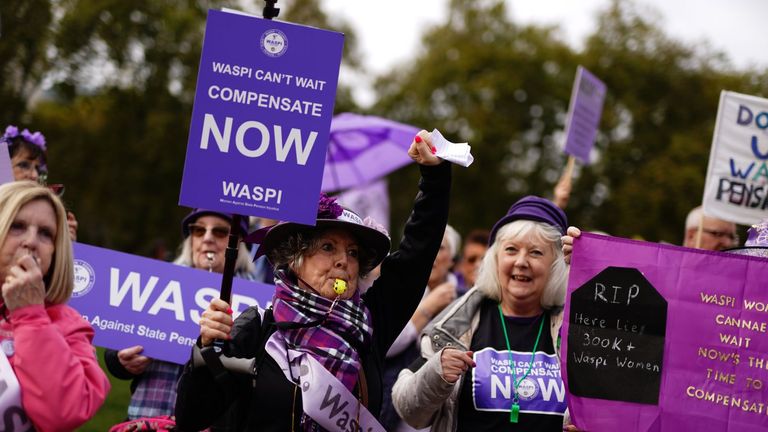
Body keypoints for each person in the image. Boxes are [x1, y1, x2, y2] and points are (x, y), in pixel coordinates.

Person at [174, 131, 451, 431]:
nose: (343, 260)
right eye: (327, 247)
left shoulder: (370, 326)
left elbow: (415, 257)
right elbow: (193, 416)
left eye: (353, 252)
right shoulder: (257, 329)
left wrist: (434, 178)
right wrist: (205, 350)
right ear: (296, 258)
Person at [392, 196, 579, 431]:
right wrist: (436, 372)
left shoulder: (576, 329)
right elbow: (409, 412)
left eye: (536, 253)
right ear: (495, 258)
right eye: (511, 250)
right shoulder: (457, 326)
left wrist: (589, 266)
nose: (521, 262)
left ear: (555, 265)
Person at [105, 209, 253, 421]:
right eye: (199, 230)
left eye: (220, 232)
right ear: (190, 240)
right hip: (147, 418)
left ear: (239, 244)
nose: (208, 238)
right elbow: (117, 340)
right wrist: (121, 361)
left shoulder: (255, 302)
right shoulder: (158, 282)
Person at [0, 181, 109, 430]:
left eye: (45, 233)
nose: (31, 241)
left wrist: (29, 315)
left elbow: (63, 412)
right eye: (17, 226)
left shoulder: (68, 326)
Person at [380, 225, 460, 431]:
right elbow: (384, 346)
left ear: (451, 259)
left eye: (440, 247)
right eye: (428, 245)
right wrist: (427, 307)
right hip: (395, 408)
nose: (432, 252)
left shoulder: (465, 299)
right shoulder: (399, 291)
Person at [1, 125, 79, 240]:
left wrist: (64, 243)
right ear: (2, 166)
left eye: (38, 169)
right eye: (24, 165)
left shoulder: (48, 212)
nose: (34, 175)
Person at [454, 228, 490, 295]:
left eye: (485, 260)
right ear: (461, 264)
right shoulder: (451, 295)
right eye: (471, 260)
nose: (478, 264)